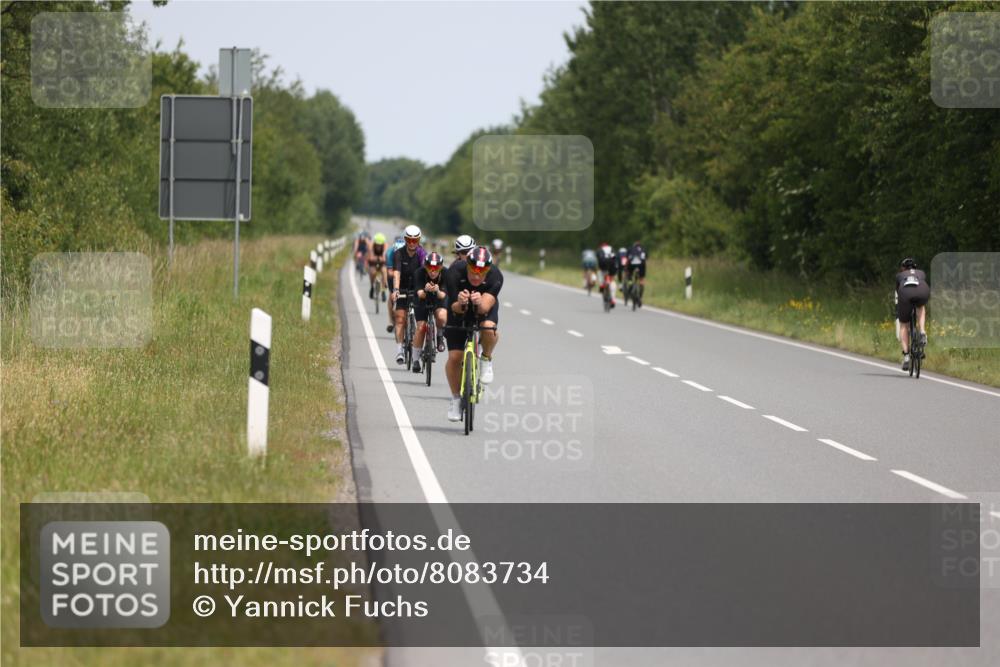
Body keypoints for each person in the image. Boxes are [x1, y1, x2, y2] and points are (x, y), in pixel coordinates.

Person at [444, 247, 502, 422]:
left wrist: (479, 302)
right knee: (455, 357)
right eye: (473, 271)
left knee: (488, 327)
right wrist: (461, 302)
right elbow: (453, 306)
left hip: (483, 309)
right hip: (458, 311)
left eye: (482, 272)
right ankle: (455, 399)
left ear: (488, 270)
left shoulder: (496, 276)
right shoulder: (454, 272)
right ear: (466, 265)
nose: (477, 276)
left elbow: (485, 307)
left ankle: (486, 358)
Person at [391, 225, 427, 364]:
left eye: (415, 240)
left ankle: (420, 347)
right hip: (403, 288)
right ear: (405, 240)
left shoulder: (422, 253)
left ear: (418, 240)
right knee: (400, 319)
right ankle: (400, 350)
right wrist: (396, 290)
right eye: (409, 240)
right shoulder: (398, 253)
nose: (412, 243)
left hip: (418, 288)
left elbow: (425, 271)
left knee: (421, 323)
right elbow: (397, 273)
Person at [410, 252, 448, 373]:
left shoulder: (446, 274)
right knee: (421, 328)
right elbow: (419, 294)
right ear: (425, 267)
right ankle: (415, 360)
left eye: (436, 268)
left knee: (442, 317)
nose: (433, 271)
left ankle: (440, 336)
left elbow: (443, 295)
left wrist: (437, 290)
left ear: (440, 267)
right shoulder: (419, 273)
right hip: (422, 299)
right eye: (430, 268)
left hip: (438, 298)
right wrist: (426, 290)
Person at [895, 257, 930, 371]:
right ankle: (922, 331)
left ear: (903, 268)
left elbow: (898, 292)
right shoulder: (921, 273)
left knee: (904, 324)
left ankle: (906, 356)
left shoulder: (899, 275)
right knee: (921, 306)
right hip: (922, 291)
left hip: (905, 294)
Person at [384, 234, 406, 333]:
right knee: (391, 297)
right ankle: (390, 321)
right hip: (392, 276)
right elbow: (389, 273)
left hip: (404, 275)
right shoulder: (389, 253)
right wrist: (398, 274)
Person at [366, 232, 388, 300]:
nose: (378, 246)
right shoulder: (371, 245)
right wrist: (375, 258)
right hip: (373, 262)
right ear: (375, 243)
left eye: (380, 245)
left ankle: (383, 290)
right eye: (377, 244)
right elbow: (370, 257)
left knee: (384, 272)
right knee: (372, 272)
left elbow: (384, 256)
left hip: (382, 262)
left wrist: (381, 258)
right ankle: (372, 286)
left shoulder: (385, 245)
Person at [626, 241, 648, 308]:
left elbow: (627, 258)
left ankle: (630, 284)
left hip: (632, 264)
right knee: (641, 279)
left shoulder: (630, 249)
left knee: (629, 274)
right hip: (641, 265)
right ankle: (640, 296)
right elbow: (646, 258)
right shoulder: (643, 249)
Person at [596, 243, 617, 308]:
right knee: (612, 280)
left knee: (600, 272)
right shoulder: (611, 248)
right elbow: (615, 257)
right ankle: (613, 300)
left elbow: (598, 259)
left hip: (603, 264)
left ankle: (602, 284)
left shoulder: (599, 249)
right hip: (612, 264)